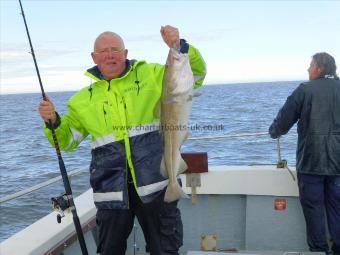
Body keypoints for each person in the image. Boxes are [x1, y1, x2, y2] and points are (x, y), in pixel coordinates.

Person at [38, 25, 206, 255]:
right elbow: (67, 142)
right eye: (104, 50)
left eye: (115, 49)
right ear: (94, 57)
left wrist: (180, 47)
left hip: (157, 186)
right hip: (111, 193)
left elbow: (194, 76)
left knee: (165, 250)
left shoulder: (153, 74)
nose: (110, 55)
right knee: (109, 251)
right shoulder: (82, 100)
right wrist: (54, 122)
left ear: (125, 53)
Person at [269, 52, 340, 255]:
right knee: (337, 210)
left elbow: (283, 122)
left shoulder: (305, 90)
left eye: (310, 65)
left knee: (314, 210)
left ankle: (319, 251)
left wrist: (274, 131)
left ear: (319, 68)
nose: (308, 69)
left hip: (311, 164)